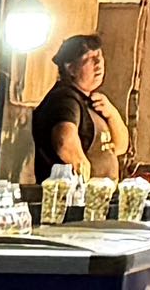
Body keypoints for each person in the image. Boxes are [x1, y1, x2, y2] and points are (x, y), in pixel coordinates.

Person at [25, 33, 128, 183]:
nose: (98, 63)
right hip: (74, 194)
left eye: (99, 56)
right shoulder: (65, 99)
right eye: (89, 59)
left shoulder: (92, 101)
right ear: (71, 68)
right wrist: (85, 177)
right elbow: (64, 141)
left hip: (101, 193)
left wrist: (113, 114)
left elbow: (120, 147)